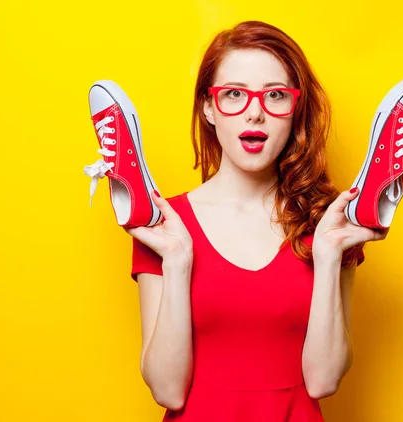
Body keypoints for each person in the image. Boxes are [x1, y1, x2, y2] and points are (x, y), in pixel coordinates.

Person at [125, 20, 388, 422]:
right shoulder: (163, 225)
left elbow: (323, 381)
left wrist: (331, 254)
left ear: (295, 108)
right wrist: (177, 260)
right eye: (234, 94)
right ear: (209, 108)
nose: (255, 114)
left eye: (275, 95)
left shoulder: (329, 223)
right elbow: (167, 390)